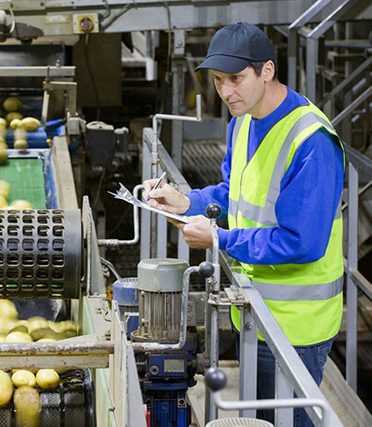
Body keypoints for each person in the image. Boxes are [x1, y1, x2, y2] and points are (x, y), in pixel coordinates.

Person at [143, 23, 344, 426]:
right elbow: (235, 193)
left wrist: (219, 239)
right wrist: (187, 201)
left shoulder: (312, 142)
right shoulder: (244, 121)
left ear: (266, 71)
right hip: (253, 314)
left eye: (236, 79)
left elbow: (302, 243)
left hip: (294, 328)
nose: (226, 92)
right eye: (218, 81)